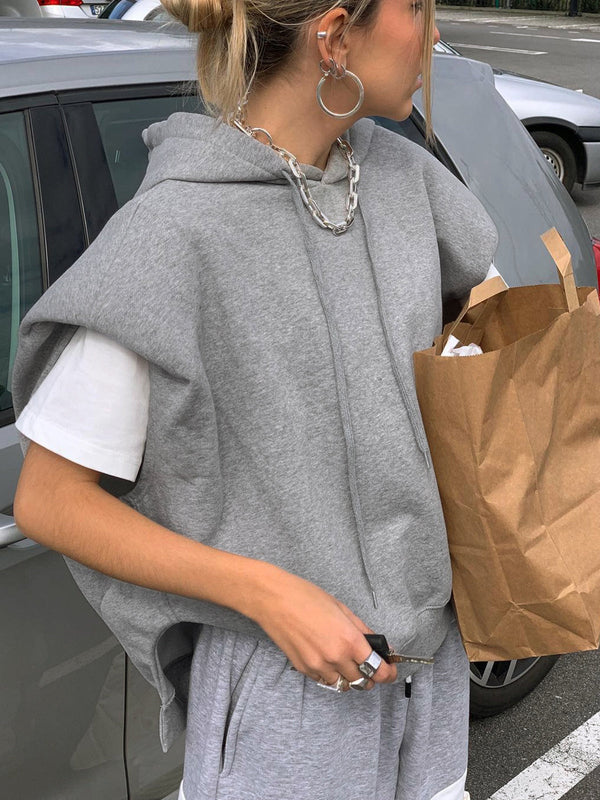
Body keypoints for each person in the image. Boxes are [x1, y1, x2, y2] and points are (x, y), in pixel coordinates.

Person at [12, 1, 497, 798]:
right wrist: (267, 591)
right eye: (416, 8)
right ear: (336, 32)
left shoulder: (409, 184)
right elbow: (50, 500)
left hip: (432, 672)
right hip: (288, 697)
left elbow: (486, 349)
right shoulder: (172, 238)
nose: (434, 36)